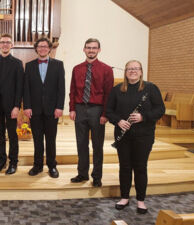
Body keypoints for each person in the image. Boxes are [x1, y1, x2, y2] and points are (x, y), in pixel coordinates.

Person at [106, 60, 165, 214]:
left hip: (144, 135)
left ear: (141, 71)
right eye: (129, 69)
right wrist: (118, 121)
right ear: (125, 72)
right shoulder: (117, 90)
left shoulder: (150, 88)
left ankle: (140, 200)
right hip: (123, 135)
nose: (132, 71)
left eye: (136, 68)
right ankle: (124, 197)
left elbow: (160, 109)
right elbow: (109, 111)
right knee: (124, 167)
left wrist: (143, 117)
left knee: (140, 167)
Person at [69, 38, 114, 187]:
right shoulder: (77, 68)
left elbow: (109, 94)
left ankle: (97, 176)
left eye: (94, 48)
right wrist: (72, 109)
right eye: (88, 48)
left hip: (97, 109)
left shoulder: (106, 69)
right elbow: (73, 90)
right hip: (80, 108)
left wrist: (105, 114)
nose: (91, 50)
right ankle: (82, 174)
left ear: (99, 50)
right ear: (84, 49)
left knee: (97, 145)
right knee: (81, 144)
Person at [23, 37, 65, 178]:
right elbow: (26, 89)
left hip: (52, 110)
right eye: (40, 46)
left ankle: (52, 166)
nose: (42, 48)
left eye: (45, 46)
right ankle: (37, 165)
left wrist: (59, 107)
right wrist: (27, 106)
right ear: (36, 49)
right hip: (34, 110)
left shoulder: (58, 65)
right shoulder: (29, 66)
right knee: (37, 139)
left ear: (49, 48)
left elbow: (61, 88)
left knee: (51, 139)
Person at [0, 33, 24, 174]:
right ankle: (2, 161)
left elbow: (20, 87)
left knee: (12, 135)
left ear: (11, 45)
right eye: (2, 42)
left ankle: (13, 163)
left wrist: (16, 107)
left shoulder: (17, 63)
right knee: (0, 136)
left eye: (8, 42)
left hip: (11, 107)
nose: (5, 44)